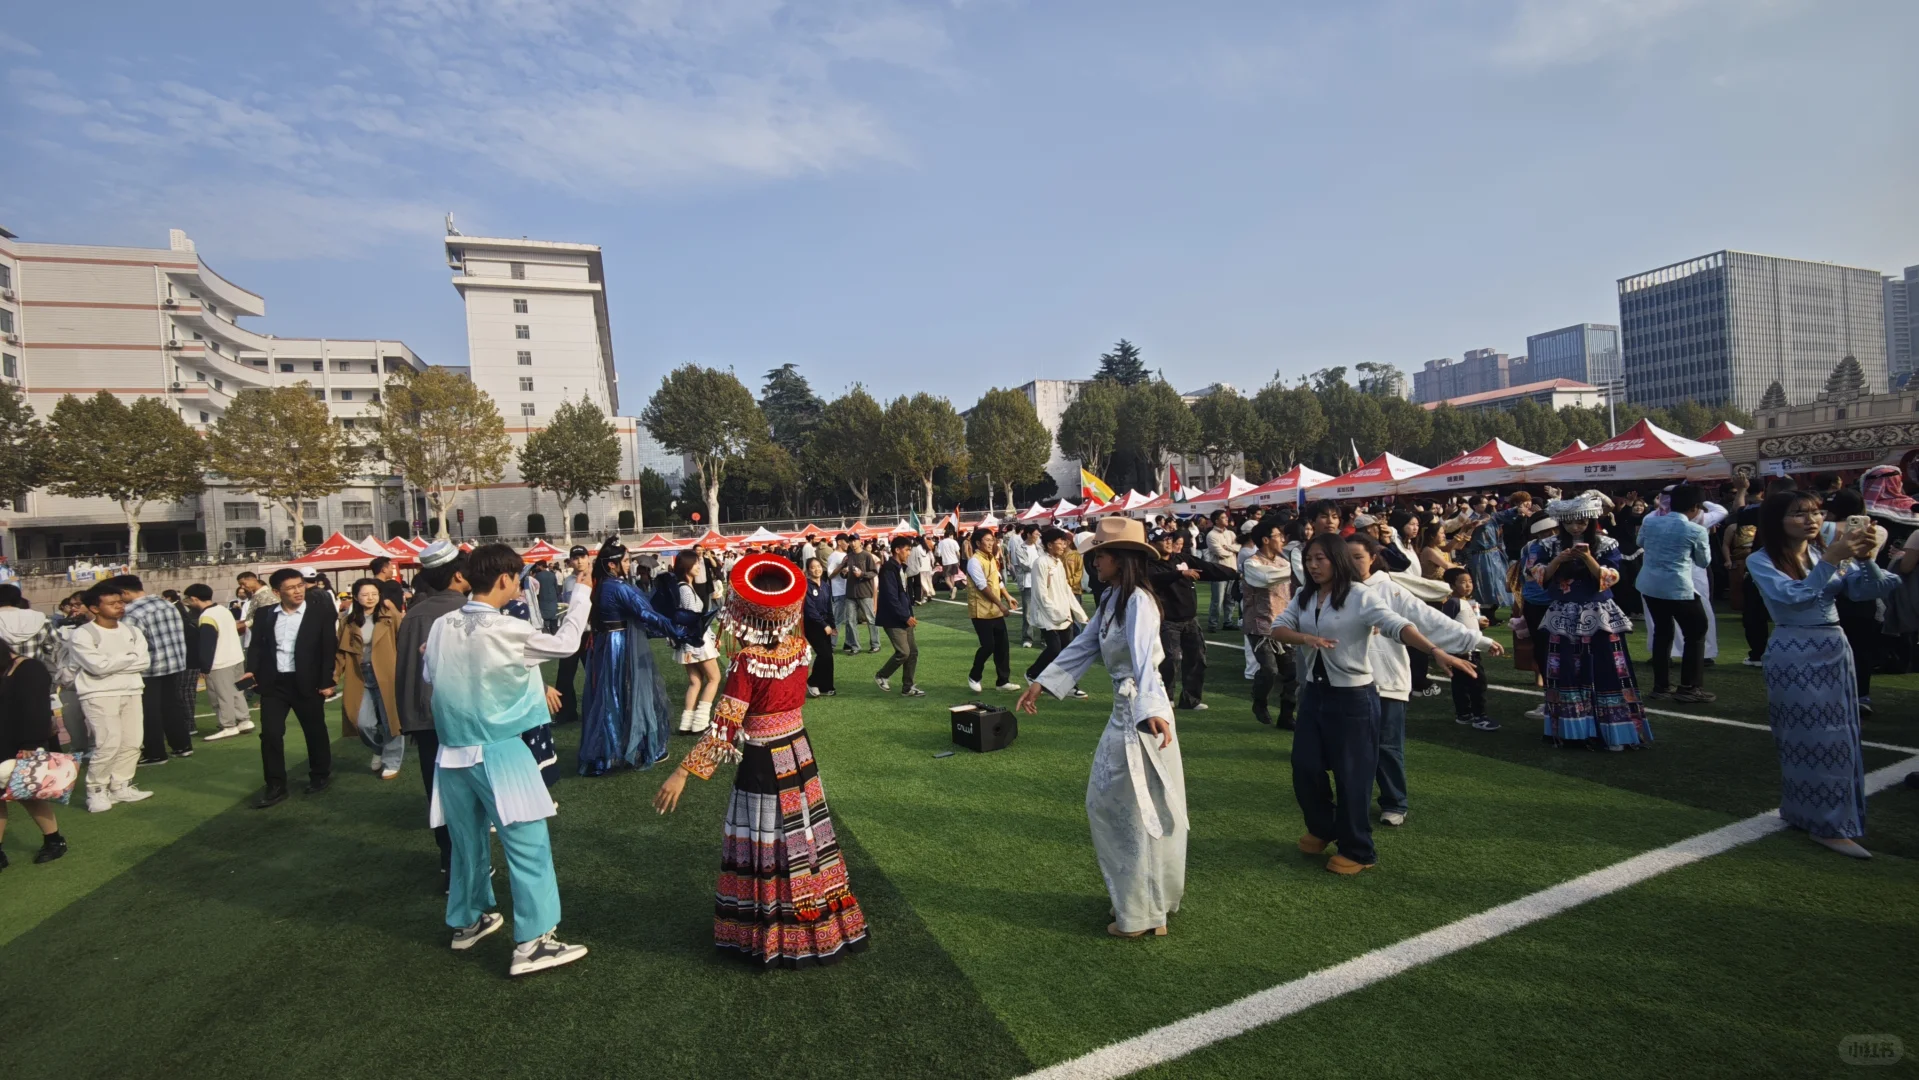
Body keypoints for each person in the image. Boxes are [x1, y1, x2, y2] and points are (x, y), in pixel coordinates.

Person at [653, 553, 870, 967]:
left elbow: (724, 728)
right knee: (803, 840)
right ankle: (816, 922)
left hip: (763, 761)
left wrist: (682, 772)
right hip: (799, 752)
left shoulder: (748, 662)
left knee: (767, 842)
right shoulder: (799, 649)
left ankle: (770, 933)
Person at [424, 543, 595, 976]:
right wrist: (582, 593)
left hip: (452, 753)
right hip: (498, 750)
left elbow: (430, 675)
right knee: (527, 845)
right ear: (505, 579)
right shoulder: (504, 629)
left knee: (466, 842)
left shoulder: (442, 624)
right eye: (516, 578)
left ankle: (468, 919)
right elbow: (567, 643)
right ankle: (534, 942)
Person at [1017, 517, 1186, 937]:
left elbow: (1147, 658)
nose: (1093, 562)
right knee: (1114, 807)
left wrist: (1152, 709)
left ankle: (1143, 913)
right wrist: (1043, 682)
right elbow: (1085, 644)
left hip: (1143, 717)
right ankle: (1144, 904)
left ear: (1121, 558)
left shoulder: (1139, 602)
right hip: (1127, 713)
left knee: (1132, 810)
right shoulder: (1113, 599)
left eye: (1100, 555)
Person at [1271, 533, 1478, 872]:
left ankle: (1358, 850)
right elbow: (1278, 628)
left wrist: (1437, 651)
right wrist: (1307, 638)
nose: (1313, 565)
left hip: (1354, 698)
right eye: (1309, 559)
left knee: (1353, 775)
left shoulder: (1359, 596)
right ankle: (1324, 828)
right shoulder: (1303, 595)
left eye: (1320, 558)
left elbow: (1399, 625)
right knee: (1305, 767)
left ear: (1336, 559)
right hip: (1315, 693)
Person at [1747, 490, 1910, 858]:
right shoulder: (1762, 560)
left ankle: (1813, 815)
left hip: (1834, 647)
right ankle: (1826, 824)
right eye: (1799, 513)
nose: (1812, 519)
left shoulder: (1822, 554)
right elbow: (1794, 596)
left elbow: (1874, 588)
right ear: (1777, 520)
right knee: (1808, 738)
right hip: (1794, 648)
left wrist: (1866, 559)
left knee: (1840, 736)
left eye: (1816, 512)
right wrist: (1834, 560)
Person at [1347, 536, 1498, 827]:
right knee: (1352, 746)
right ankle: (1355, 800)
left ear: (1372, 558)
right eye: (1346, 557)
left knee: (1387, 746)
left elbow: (1428, 619)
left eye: (1358, 557)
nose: (1352, 563)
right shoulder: (1334, 592)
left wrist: (1476, 640)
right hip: (1349, 682)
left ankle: (1394, 802)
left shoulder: (1388, 589)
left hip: (1387, 679)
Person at [1525, 494, 1651, 751]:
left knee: (1607, 668)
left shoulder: (1606, 543)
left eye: (1581, 522)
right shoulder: (1547, 545)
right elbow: (1538, 576)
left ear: (1591, 521)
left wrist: (1587, 559)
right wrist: (1559, 559)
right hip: (1563, 614)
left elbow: (1610, 578)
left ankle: (1614, 731)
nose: (1575, 527)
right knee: (1567, 671)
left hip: (1599, 613)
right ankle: (1574, 731)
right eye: (1570, 522)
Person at [391, 541, 469, 880]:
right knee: (468, 795)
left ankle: (450, 861)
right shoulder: (466, 611)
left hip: (424, 721)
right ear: (457, 575)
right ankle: (466, 865)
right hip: (462, 718)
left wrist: (409, 719)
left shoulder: (414, 614)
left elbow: (405, 672)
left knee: (438, 793)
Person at [582, 543, 694, 773]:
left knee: (610, 696)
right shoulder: (617, 586)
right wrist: (677, 631)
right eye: (624, 561)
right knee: (630, 695)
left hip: (606, 644)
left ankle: (606, 754)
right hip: (620, 646)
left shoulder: (603, 585)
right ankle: (636, 749)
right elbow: (645, 613)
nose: (628, 564)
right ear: (611, 565)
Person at [245, 568, 341, 809]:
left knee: (314, 730)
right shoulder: (266, 614)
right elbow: (256, 646)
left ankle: (320, 774)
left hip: (307, 681)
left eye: (300, 585)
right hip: (274, 683)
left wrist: (327, 681)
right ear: (278, 592)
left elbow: (328, 649)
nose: (298, 591)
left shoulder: (320, 612)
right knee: (270, 734)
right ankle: (275, 785)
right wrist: (251, 670)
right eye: (291, 588)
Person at [69, 583, 154, 813]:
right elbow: (97, 667)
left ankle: (121, 785)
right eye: (112, 603)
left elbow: (144, 661)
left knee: (133, 742)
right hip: (99, 693)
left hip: (132, 689)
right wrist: (128, 659)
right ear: (95, 608)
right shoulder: (83, 634)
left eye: (121, 602)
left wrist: (113, 662)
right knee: (108, 743)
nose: (119, 606)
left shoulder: (132, 631)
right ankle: (96, 790)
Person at [1637, 483, 1715, 704]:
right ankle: (1690, 687)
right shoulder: (1695, 530)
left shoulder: (1650, 522)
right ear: (1696, 507)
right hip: (1677, 586)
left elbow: (1639, 542)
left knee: (1663, 633)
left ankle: (1661, 686)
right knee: (1697, 631)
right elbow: (1703, 561)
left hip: (1650, 585)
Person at [110, 575, 194, 765]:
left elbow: (129, 642)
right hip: (174, 662)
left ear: (124, 592)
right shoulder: (166, 604)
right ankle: (182, 745)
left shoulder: (131, 612)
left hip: (150, 667)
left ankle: (155, 752)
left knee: (148, 711)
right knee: (172, 706)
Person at [1150, 528, 1237, 711]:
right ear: (1152, 543)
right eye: (1163, 539)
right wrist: (1179, 574)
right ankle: (1166, 698)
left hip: (1190, 619)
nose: (1168, 542)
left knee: (1197, 658)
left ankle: (1191, 700)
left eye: (1169, 538)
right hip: (1168, 620)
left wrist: (1235, 574)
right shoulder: (1148, 563)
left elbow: (1207, 568)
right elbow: (1153, 580)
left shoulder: (1182, 559)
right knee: (1170, 660)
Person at [0, 639, 68, 868]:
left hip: (20, 743)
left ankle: (54, 840)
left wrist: (31, 743)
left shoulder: (28, 668)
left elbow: (37, 708)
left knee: (28, 795)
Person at [336, 578, 406, 780]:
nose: (370, 598)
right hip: (359, 674)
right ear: (356, 597)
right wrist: (333, 678)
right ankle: (379, 747)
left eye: (374, 594)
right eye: (365, 594)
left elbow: (402, 641)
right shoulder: (347, 622)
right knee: (360, 721)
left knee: (390, 720)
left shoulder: (389, 617)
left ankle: (392, 761)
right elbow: (340, 652)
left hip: (387, 673)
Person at [1241, 517, 1297, 728]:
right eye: (1278, 536)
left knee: (1293, 673)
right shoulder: (1252, 563)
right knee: (1269, 669)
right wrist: (1294, 570)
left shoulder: (1283, 562)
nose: (1282, 539)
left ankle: (1286, 715)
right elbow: (1265, 578)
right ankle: (1259, 701)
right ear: (1265, 540)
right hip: (1260, 625)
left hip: (1283, 624)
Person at [664, 549, 724, 735]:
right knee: (714, 679)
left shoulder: (681, 587)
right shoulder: (685, 589)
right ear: (687, 566)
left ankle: (686, 722)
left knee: (695, 682)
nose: (699, 566)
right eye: (696, 563)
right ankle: (699, 721)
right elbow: (689, 620)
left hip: (690, 641)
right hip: (695, 641)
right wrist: (692, 646)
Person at [1025, 526, 1090, 697]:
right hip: (1048, 617)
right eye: (1059, 543)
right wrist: (1055, 614)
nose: (1063, 546)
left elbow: (1066, 590)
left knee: (1066, 652)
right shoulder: (1041, 563)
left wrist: (1079, 613)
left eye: (1063, 543)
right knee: (1054, 650)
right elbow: (1040, 594)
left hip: (1063, 616)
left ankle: (1070, 686)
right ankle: (1032, 673)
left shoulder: (1058, 563)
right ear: (1048, 545)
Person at [183, 584, 253, 741]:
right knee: (237, 690)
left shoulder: (207, 616)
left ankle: (228, 725)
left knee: (221, 695)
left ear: (194, 599)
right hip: (236, 658)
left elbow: (207, 643)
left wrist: (205, 666)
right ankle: (244, 720)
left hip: (220, 662)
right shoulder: (223, 610)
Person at [965, 528, 1020, 693]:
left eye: (992, 540)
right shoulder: (974, 561)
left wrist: (1008, 597)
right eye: (987, 540)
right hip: (981, 611)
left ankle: (1003, 681)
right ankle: (974, 676)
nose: (991, 543)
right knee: (988, 646)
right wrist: (1001, 605)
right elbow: (982, 586)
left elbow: (998, 581)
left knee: (1002, 646)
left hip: (994, 610)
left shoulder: (991, 559)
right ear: (977, 543)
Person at [1440, 566, 1493, 729]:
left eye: (1470, 581)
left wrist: (1479, 625)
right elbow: (1448, 625)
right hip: (1465, 653)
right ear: (1452, 585)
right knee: (1477, 684)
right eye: (1463, 582)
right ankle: (1479, 717)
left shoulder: (1466, 602)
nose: (1468, 585)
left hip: (1467, 651)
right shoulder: (1453, 603)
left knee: (1462, 685)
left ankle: (1464, 714)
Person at [873, 535, 925, 696]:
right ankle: (882, 675)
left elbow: (903, 594)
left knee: (913, 652)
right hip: (893, 618)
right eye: (907, 549)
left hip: (904, 616)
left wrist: (910, 613)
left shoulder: (899, 567)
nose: (909, 553)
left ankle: (907, 687)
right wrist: (905, 616)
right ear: (897, 550)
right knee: (903, 652)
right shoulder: (889, 568)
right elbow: (890, 597)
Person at [551, 545, 592, 724]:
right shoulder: (568, 581)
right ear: (570, 561)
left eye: (582, 557)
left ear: (588, 558)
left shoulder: (595, 578)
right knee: (565, 674)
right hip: (572, 633)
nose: (579, 561)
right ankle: (566, 712)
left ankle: (595, 710)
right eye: (575, 558)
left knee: (594, 673)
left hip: (590, 632)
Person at [1456, 494, 1511, 622]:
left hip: (1495, 554)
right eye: (1483, 503)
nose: (1486, 505)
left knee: (1498, 583)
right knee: (1485, 585)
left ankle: (1492, 613)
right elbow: (1475, 531)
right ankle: (1487, 615)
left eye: (1487, 503)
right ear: (1475, 506)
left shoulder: (1492, 517)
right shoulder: (1472, 520)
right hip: (1481, 555)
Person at [838, 536, 881, 654]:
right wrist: (844, 573)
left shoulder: (867, 555)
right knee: (850, 621)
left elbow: (874, 572)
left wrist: (862, 574)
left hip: (865, 592)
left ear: (859, 541)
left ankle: (876, 644)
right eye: (850, 541)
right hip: (851, 593)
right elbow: (843, 574)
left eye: (854, 540)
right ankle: (855, 646)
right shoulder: (848, 557)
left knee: (870, 619)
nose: (852, 543)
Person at [802, 557, 836, 698]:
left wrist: (832, 625)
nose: (817, 569)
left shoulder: (826, 585)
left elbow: (829, 607)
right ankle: (812, 681)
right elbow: (810, 610)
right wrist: (823, 625)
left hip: (826, 624)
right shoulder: (806, 586)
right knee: (824, 654)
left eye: (819, 566)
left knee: (829, 656)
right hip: (813, 624)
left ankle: (826, 686)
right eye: (813, 567)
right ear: (808, 570)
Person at [1205, 510, 1240, 631]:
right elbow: (1220, 553)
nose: (1226, 519)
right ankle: (1213, 624)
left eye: (1226, 517)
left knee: (1230, 599)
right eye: (1223, 517)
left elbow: (1238, 547)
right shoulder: (1211, 535)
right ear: (1216, 521)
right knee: (1217, 600)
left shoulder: (1231, 533)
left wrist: (1228, 547)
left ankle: (1228, 622)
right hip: (1218, 570)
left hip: (1232, 569)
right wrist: (1232, 550)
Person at [936, 527, 963, 596]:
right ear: (950, 535)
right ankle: (952, 593)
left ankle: (952, 588)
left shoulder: (941, 543)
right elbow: (958, 553)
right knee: (952, 577)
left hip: (946, 562)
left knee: (947, 578)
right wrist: (958, 561)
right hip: (955, 561)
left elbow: (938, 554)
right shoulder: (954, 542)